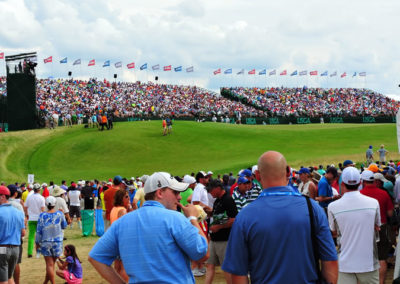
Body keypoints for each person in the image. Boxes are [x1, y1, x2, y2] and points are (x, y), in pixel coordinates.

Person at [222, 151, 338, 283]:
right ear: (289, 171)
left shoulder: (244, 216)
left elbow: (237, 273)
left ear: (257, 176)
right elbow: (330, 260)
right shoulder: (313, 208)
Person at [89, 172, 208, 284]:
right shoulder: (175, 218)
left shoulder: (122, 223)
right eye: (175, 192)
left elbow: (96, 257)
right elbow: (203, 254)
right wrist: (192, 218)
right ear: (160, 193)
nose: (179, 197)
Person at [328, 167, 381, 284]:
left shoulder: (333, 206)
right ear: (360, 182)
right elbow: (377, 226)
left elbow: (333, 232)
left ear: (342, 183)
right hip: (368, 262)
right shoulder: (373, 202)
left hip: (345, 263)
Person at [360, 170, 394, 284]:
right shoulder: (383, 193)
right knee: (381, 258)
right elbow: (390, 213)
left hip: (364, 228)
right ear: (374, 181)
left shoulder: (360, 194)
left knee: (364, 258)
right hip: (382, 226)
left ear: (363, 181)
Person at [205, 179, 238, 284]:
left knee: (226, 268)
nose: (209, 193)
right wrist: (209, 212)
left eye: (210, 190)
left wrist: (219, 227)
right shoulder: (217, 201)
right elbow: (218, 215)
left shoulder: (228, 200)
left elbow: (234, 220)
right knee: (209, 265)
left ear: (218, 188)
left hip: (224, 240)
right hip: (214, 239)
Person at [35, 196, 68, 284]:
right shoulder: (59, 214)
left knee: (49, 265)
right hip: (57, 242)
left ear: (46, 204)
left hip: (46, 242)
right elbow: (64, 226)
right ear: (55, 204)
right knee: (52, 264)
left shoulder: (42, 215)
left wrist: (37, 243)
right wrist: (63, 215)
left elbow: (38, 231)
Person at [0, 186, 25, 284]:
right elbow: (23, 232)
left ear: (2, 196)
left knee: (2, 280)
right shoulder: (19, 212)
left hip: (2, 248)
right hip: (15, 249)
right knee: (9, 277)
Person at [24, 182, 45, 258]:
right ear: (39, 190)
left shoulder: (29, 197)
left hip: (31, 218)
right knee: (39, 236)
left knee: (31, 236)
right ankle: (38, 252)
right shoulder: (41, 198)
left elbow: (25, 207)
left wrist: (27, 215)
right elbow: (42, 209)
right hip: (39, 218)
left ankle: (29, 252)